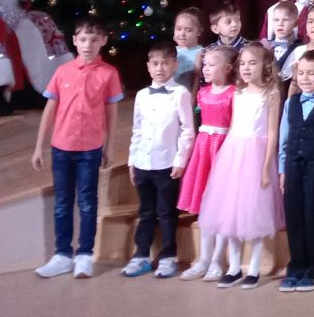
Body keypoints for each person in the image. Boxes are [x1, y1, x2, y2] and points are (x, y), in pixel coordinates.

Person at [32, 17, 123, 279]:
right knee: (62, 202)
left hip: (89, 149)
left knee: (87, 202)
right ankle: (62, 255)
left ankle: (84, 255)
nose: (88, 45)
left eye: (94, 40)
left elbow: (111, 113)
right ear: (74, 40)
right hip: (61, 147)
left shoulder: (109, 74)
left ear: (103, 41)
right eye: (83, 39)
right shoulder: (63, 72)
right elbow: (50, 110)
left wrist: (109, 147)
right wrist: (38, 147)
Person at [196, 42, 284, 288]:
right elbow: (235, 126)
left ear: (265, 65)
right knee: (231, 213)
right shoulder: (238, 93)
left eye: (252, 63)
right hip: (233, 155)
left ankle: (253, 268)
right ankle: (234, 267)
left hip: (256, 155)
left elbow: (272, 133)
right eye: (243, 63)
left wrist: (266, 167)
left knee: (254, 213)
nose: (246, 68)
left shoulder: (271, 93)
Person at [121, 40, 194, 280]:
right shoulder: (142, 95)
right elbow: (137, 130)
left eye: (165, 63)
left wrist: (180, 160)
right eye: (155, 64)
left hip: (166, 164)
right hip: (143, 162)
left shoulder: (180, 94)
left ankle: (168, 256)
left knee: (166, 211)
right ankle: (141, 255)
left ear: (174, 65)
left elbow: (187, 130)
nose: (160, 68)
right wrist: (132, 160)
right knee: (145, 211)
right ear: (148, 66)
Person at [278, 48, 314, 293]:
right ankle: (296, 267)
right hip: (293, 165)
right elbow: (284, 139)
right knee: (294, 217)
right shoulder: (291, 102)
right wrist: (282, 171)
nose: (305, 78)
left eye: (311, 73)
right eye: (301, 73)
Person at [178, 46, 237, 278]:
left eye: (212, 64)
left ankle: (216, 261)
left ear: (228, 68)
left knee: (220, 207)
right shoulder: (202, 93)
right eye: (205, 64)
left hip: (223, 149)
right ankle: (203, 259)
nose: (206, 69)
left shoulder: (233, 93)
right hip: (204, 149)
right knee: (205, 207)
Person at [264, 2, 302, 80]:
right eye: (276, 20)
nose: (280, 24)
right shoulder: (265, 46)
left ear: (296, 23)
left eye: (285, 20)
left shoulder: (301, 48)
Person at [172, 7, 205, 93]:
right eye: (179, 29)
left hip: (188, 95)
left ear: (199, 32)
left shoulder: (201, 53)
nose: (182, 34)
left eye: (189, 30)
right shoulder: (171, 51)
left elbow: (198, 80)